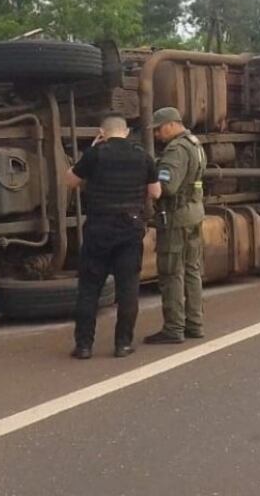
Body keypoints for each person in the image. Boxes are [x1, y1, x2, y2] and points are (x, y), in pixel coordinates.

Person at [65, 114, 161, 359]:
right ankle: (122, 344)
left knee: (89, 289)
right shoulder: (142, 155)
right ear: (126, 132)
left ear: (102, 132)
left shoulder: (95, 154)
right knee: (128, 289)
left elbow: (71, 181)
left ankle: (84, 346)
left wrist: (92, 149)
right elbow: (156, 192)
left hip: (99, 227)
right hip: (130, 228)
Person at [144, 107, 207, 345]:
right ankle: (195, 323)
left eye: (159, 129)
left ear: (171, 125)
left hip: (176, 218)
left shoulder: (176, 150)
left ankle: (173, 327)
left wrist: (152, 180)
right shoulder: (195, 144)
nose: (158, 135)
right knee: (192, 270)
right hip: (193, 214)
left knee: (171, 273)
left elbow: (167, 188)